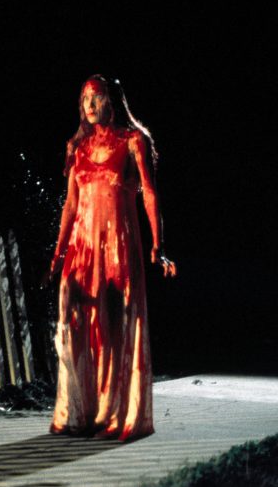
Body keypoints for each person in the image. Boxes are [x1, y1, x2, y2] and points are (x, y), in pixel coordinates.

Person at [44, 74, 176, 441]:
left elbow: (149, 193)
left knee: (115, 327)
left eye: (96, 97)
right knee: (74, 318)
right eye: (84, 98)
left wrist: (158, 244)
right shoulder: (78, 147)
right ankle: (79, 410)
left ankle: (115, 414)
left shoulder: (133, 141)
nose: (89, 105)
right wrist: (57, 253)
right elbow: (70, 205)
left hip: (118, 244)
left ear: (111, 102)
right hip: (82, 247)